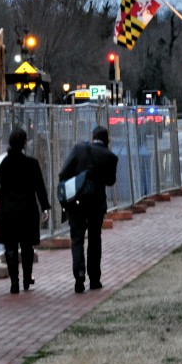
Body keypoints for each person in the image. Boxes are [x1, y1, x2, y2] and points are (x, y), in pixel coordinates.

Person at [58, 125, 119, 294]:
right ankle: (95, 279)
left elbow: (63, 173)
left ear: (93, 137)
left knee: (77, 239)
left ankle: (79, 276)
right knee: (94, 239)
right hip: (97, 204)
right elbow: (110, 181)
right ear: (107, 140)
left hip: (77, 203)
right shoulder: (110, 157)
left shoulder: (79, 149)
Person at [0, 127, 51, 294]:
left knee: (10, 246)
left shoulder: (3, 164)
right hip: (27, 210)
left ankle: (14, 282)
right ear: (25, 143)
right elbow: (39, 187)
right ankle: (27, 278)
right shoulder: (31, 164)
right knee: (27, 246)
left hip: (8, 211)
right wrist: (45, 207)